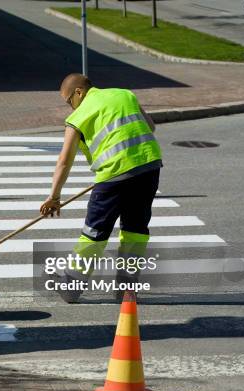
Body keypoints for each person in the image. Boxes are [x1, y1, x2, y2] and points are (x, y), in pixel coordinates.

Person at [40, 74, 162, 302]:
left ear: (79, 92)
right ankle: (127, 288)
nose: (69, 107)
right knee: (135, 229)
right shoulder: (125, 94)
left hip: (114, 175)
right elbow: (151, 127)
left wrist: (54, 197)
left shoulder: (78, 116)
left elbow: (64, 161)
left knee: (95, 232)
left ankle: (71, 286)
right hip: (149, 166)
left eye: (68, 101)